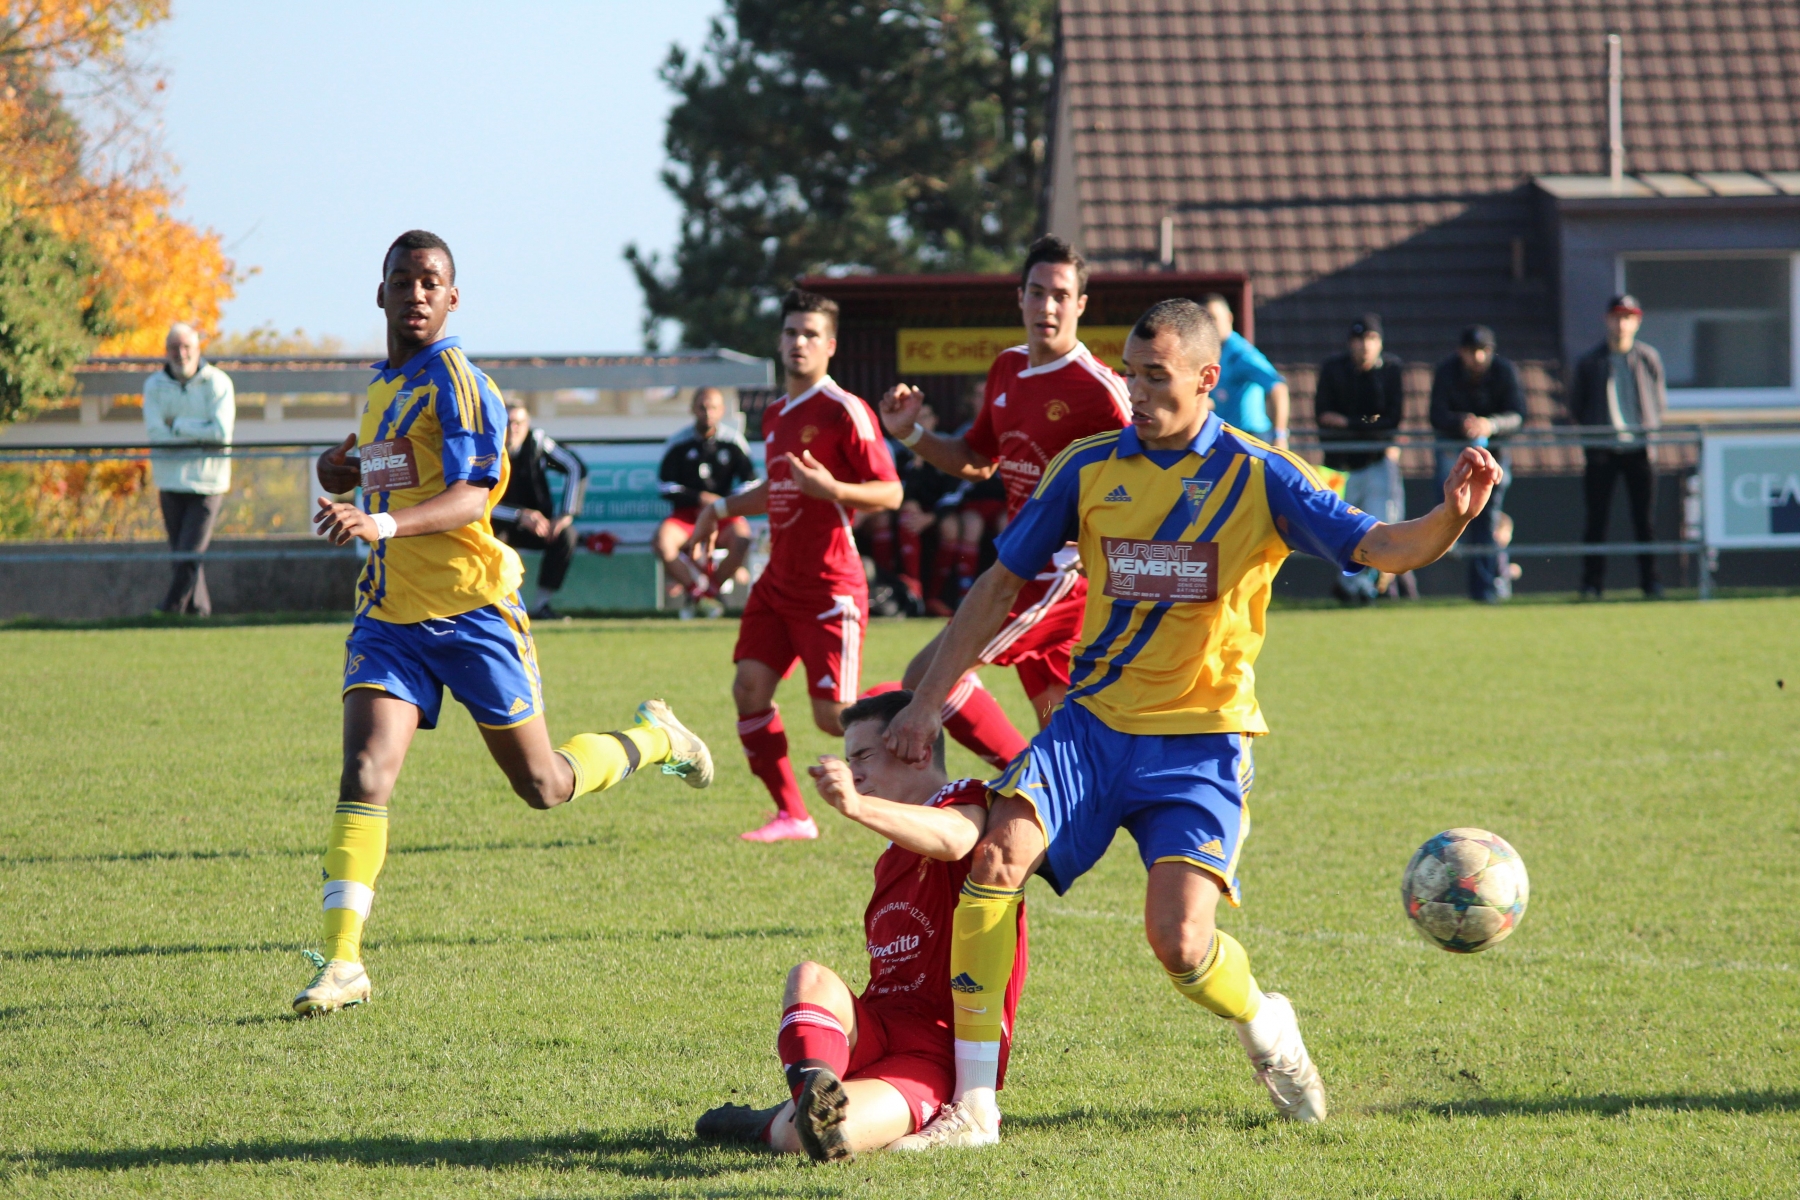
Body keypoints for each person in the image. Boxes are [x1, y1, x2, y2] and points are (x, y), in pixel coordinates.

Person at [880, 299, 1505, 1147]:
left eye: (1154, 376)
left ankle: (1266, 1025)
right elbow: (998, 585)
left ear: (1208, 379)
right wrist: (925, 702)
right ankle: (976, 1108)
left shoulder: (1264, 475)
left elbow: (1382, 547)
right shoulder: (1089, 466)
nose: (1133, 390)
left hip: (1201, 743)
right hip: (1091, 726)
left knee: (1179, 944)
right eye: (1130, 372)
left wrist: (1453, 520)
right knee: (994, 857)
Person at [295, 230, 715, 1015]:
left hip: (473, 611)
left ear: (453, 298)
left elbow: (470, 495)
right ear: (379, 293)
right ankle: (344, 960)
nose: (416, 294)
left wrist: (380, 526)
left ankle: (657, 737)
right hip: (389, 616)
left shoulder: (460, 381)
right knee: (364, 774)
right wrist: (343, 471)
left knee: (544, 785)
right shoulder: (386, 384)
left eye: (432, 282)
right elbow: (386, 469)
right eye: (403, 280)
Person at [694, 690, 1027, 1162]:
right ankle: (813, 1089)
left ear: (919, 751)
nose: (856, 774)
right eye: (850, 761)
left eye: (865, 756)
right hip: (875, 1026)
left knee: (798, 1140)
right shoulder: (890, 858)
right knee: (809, 975)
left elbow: (955, 839)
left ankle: (774, 1121)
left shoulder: (966, 798)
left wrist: (856, 806)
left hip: (931, 1056)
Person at [877, 235, 1132, 769]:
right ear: (1020, 297)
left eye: (1062, 295)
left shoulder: (1102, 392)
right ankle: (1056, 806)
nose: (1048, 307)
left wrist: (1106, 542)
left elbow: (1150, 474)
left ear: (1081, 305)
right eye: (1037, 293)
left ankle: (1027, 783)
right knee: (1064, 732)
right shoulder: (1007, 368)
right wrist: (912, 435)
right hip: (1016, 559)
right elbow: (977, 457)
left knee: (925, 679)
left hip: (1060, 571)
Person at [687, 289, 902, 842]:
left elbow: (892, 492)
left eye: (810, 334)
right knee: (749, 690)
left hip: (830, 586)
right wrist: (721, 507)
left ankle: (926, 695)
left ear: (830, 345)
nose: (798, 343)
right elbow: (775, 487)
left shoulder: (844, 409)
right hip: (777, 582)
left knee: (834, 718)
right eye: (790, 333)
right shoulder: (778, 412)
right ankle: (792, 815)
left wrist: (833, 487)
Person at [1569, 293, 1667, 600]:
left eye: (1627, 317)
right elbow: (1577, 405)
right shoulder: (1590, 362)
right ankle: (1591, 585)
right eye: (1616, 316)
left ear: (1637, 322)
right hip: (1602, 451)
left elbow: (1658, 400)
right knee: (1596, 521)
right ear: (1607, 320)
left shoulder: (1647, 358)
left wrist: (1648, 431)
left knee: (1645, 521)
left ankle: (1651, 583)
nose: (1621, 323)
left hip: (1639, 450)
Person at [1313, 313, 1409, 602]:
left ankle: (1370, 588)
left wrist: (1351, 422)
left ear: (1379, 342)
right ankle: (1352, 588)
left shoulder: (1390, 370)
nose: (1364, 346)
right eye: (1358, 339)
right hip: (1339, 467)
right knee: (1341, 532)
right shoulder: (1332, 369)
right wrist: (1368, 423)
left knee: (1382, 527)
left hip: (1376, 462)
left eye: (1371, 339)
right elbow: (1323, 415)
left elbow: (1390, 419)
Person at [143, 323, 235, 616]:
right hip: (170, 481)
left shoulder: (217, 383)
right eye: (174, 347)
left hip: (208, 483)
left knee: (189, 553)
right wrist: (200, 434)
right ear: (166, 350)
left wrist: (179, 425)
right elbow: (157, 435)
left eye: (187, 347)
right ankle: (199, 612)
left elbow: (221, 434)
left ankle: (168, 610)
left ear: (198, 350)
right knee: (182, 554)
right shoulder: (154, 386)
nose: (180, 354)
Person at [1429, 324, 1525, 603]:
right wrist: (1463, 423)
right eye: (1473, 352)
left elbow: (1518, 415)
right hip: (1454, 455)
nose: (1479, 358)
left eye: (1484, 351)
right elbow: (1436, 414)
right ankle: (1449, 548)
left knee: (1487, 522)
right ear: (1462, 352)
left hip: (1492, 458)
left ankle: (1484, 590)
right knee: (1449, 516)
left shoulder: (1504, 371)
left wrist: (1489, 424)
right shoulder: (1447, 371)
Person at [655, 386, 759, 617]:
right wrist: (700, 498)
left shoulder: (733, 442)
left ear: (722, 410)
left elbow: (751, 483)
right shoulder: (678, 443)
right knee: (662, 541)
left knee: (742, 539)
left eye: (713, 407)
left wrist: (723, 503)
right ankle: (698, 593)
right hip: (688, 515)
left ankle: (711, 591)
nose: (707, 412)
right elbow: (664, 486)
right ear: (692, 409)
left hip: (723, 512)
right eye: (702, 407)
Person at [492, 403, 588, 619]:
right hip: (498, 523)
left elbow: (576, 468)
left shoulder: (537, 441)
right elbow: (478, 502)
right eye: (507, 422)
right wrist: (519, 515)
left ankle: (541, 605)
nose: (512, 428)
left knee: (566, 536)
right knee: (490, 542)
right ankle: (497, 607)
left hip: (538, 525)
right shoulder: (487, 446)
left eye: (519, 423)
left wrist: (566, 514)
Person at [1201, 293, 1290, 448]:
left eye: (1213, 318)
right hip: (1228, 436)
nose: (1210, 325)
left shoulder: (1241, 354)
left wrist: (1279, 435)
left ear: (1229, 318)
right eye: (1205, 320)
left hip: (1251, 437)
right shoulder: (1214, 353)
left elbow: (1278, 387)